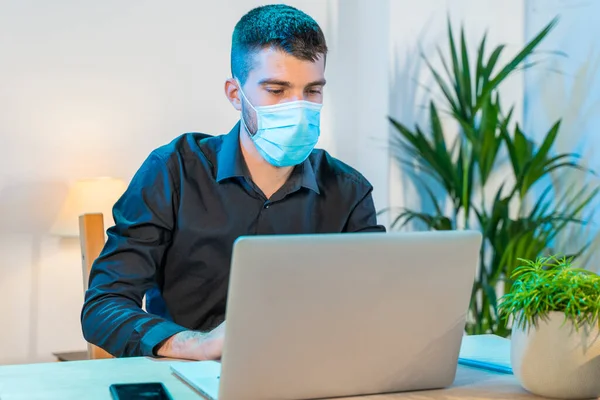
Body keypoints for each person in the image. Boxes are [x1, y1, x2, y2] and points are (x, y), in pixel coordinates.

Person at [81, 3, 385, 361]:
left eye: (312, 91)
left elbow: (374, 304)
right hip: (190, 374)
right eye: (277, 91)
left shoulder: (348, 190)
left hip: (308, 371)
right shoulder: (173, 170)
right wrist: (196, 344)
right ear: (235, 94)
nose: (298, 108)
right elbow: (104, 306)